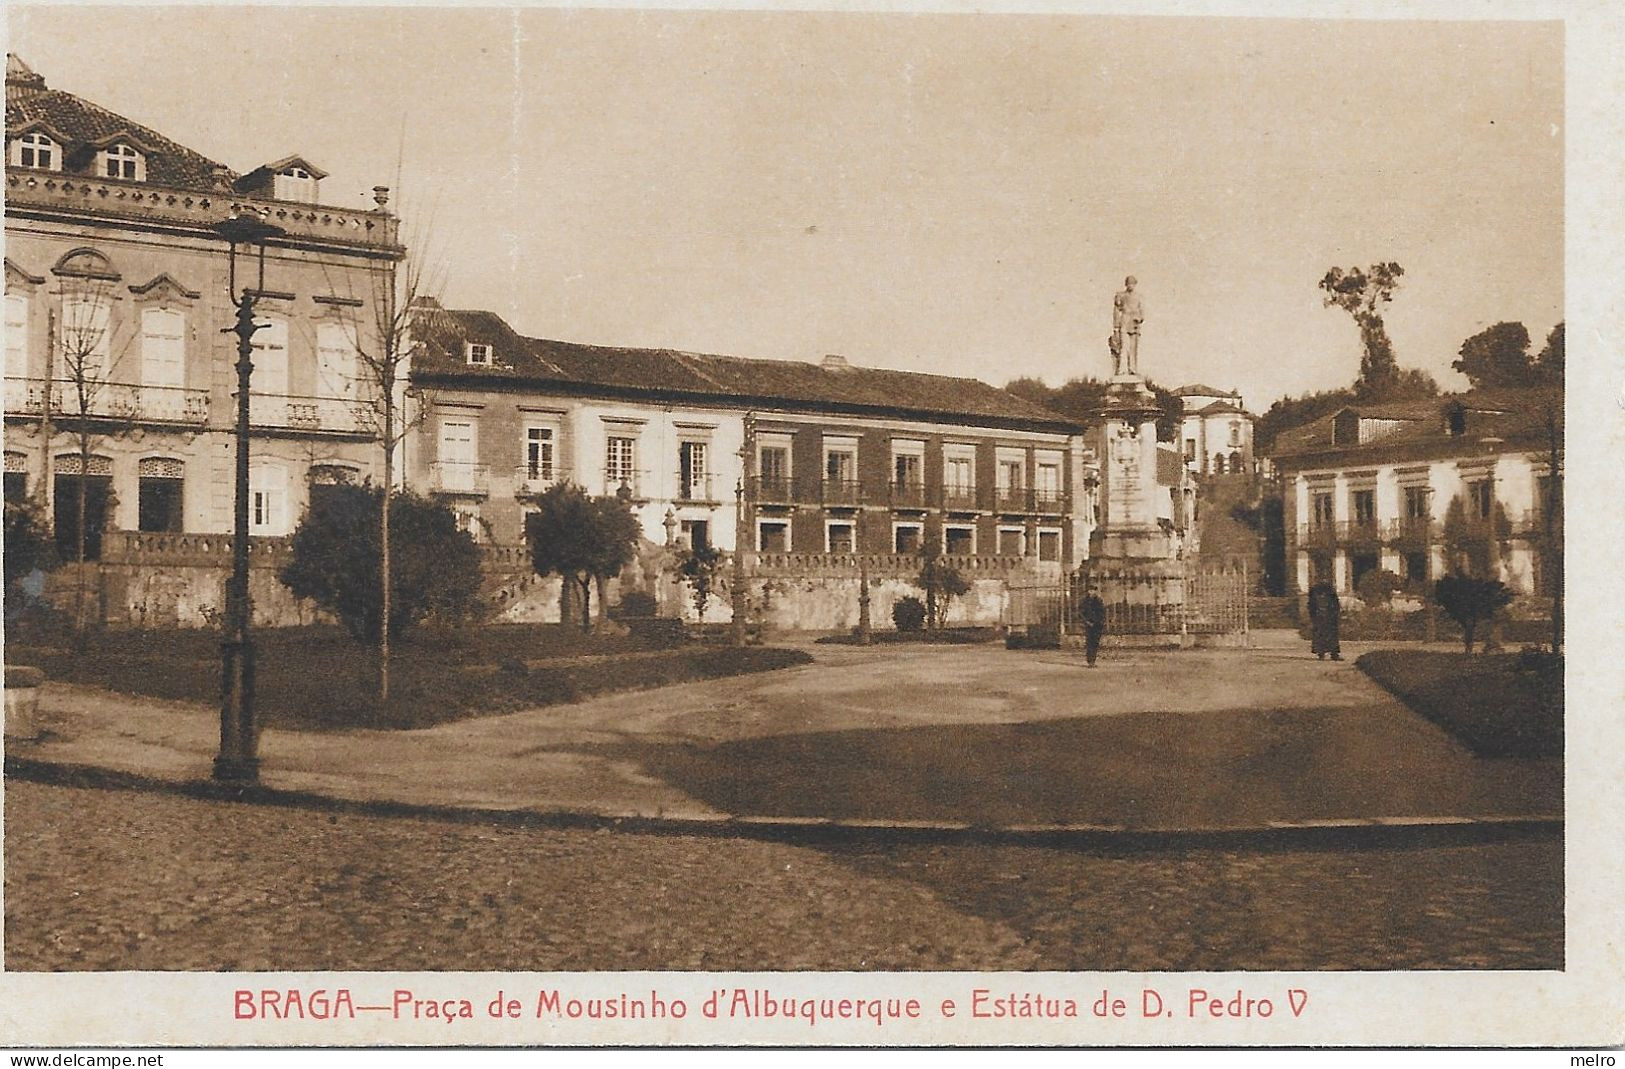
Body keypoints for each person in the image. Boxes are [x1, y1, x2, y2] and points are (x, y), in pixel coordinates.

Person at [1111, 275, 1146, 377]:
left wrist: (1140, 318)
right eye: (1129, 283)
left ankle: (1133, 369)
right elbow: (1116, 311)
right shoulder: (1121, 295)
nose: (1131, 285)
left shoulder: (1139, 297)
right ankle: (1121, 370)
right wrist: (1116, 326)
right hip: (1125, 320)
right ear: (1126, 284)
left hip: (1135, 322)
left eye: (1133, 283)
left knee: (1133, 348)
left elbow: (1142, 310)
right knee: (1123, 346)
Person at [1306, 580, 1342, 661]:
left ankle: (1332, 654)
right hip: (1322, 616)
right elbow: (1311, 605)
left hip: (1328, 616)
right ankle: (1323, 653)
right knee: (1322, 634)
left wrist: (1335, 613)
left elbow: (1336, 604)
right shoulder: (1315, 592)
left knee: (1329, 635)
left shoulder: (1330, 591)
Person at [1079, 585, 1107, 667]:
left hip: (1097, 624)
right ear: (1088, 591)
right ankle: (1089, 661)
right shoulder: (1084, 601)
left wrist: (1100, 621)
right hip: (1088, 624)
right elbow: (1081, 613)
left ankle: (1093, 661)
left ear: (1095, 591)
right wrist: (1086, 621)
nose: (1092, 592)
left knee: (1095, 643)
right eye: (1090, 590)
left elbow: (1102, 612)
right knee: (1089, 642)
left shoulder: (1098, 601)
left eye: (1093, 590)